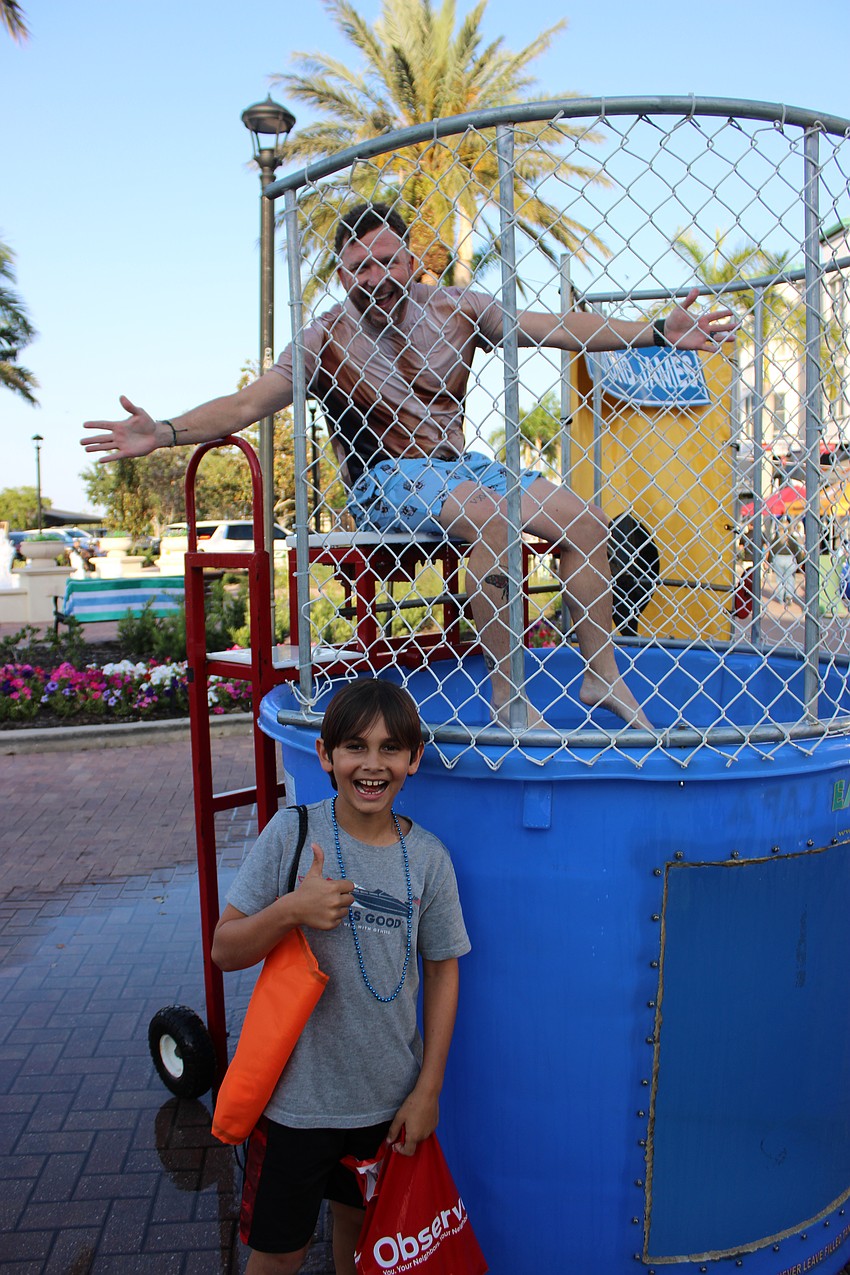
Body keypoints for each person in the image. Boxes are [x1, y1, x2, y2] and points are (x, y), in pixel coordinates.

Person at [82, 201, 735, 730]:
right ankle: (509, 699)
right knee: (494, 520)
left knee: (589, 522)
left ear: (412, 260)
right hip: (384, 479)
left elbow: (558, 326)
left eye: (387, 261)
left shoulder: (458, 309)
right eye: (360, 268)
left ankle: (603, 675)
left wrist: (653, 333)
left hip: (464, 468)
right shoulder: (323, 340)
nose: (376, 277)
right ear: (342, 276)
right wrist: (163, 431)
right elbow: (248, 402)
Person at [210, 678, 470, 1275]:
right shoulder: (293, 832)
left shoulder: (429, 858)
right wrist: (291, 911)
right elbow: (225, 949)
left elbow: (443, 972)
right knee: (279, 1253)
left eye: (389, 748)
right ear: (325, 755)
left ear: (413, 759)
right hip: (294, 1105)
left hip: (385, 1105)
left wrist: (427, 1090)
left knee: (361, 1247)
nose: (372, 764)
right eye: (355, 747)